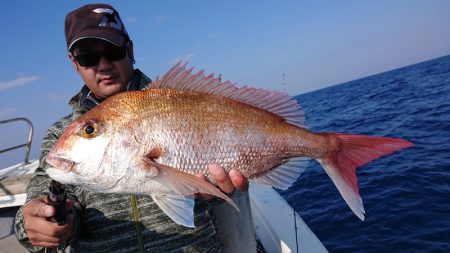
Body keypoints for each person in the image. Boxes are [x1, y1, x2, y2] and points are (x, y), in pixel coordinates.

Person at [14, 4, 248, 252]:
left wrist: (223, 191)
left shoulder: (182, 98)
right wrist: (42, 223)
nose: (103, 65)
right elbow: (41, 199)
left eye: (112, 50)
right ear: (74, 63)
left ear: (129, 50)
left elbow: (223, 185)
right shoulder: (59, 135)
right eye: (88, 57)